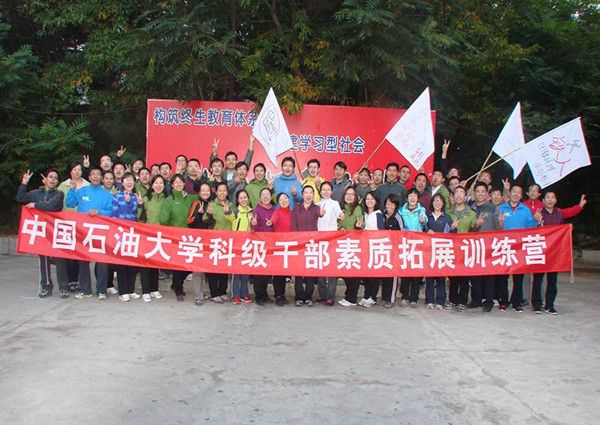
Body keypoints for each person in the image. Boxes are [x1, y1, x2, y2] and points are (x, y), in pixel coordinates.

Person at [17, 168, 69, 299]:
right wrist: (24, 184)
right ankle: (46, 287)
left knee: (59, 260)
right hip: (41, 232)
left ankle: (63, 287)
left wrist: (35, 205)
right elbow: (20, 198)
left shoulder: (59, 194)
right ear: (44, 179)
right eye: (50, 177)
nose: (53, 180)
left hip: (55, 231)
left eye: (55, 178)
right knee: (44, 260)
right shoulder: (35, 193)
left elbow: (52, 206)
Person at [65, 166, 113, 299]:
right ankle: (85, 290)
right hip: (84, 232)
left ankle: (101, 290)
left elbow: (110, 212)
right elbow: (69, 203)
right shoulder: (82, 191)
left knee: (102, 262)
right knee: (83, 262)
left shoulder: (107, 195)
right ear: (89, 177)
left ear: (102, 178)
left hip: (100, 233)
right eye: (93, 174)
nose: (96, 177)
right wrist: (72, 189)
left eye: (98, 174)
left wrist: (99, 212)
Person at [497, 185, 541, 313]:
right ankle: (503, 301)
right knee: (503, 276)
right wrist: (500, 224)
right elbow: (496, 229)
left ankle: (517, 301)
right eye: (514, 192)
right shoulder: (501, 208)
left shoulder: (526, 210)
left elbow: (530, 227)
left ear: (521, 196)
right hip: (504, 246)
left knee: (518, 277)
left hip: (519, 248)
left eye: (518, 193)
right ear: (510, 193)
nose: (516, 194)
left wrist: (535, 220)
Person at [159, 174, 195, 302]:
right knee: (178, 266)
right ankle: (178, 290)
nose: (179, 184)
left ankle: (175, 284)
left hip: (189, 238)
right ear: (172, 185)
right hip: (175, 237)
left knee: (190, 265)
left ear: (184, 184)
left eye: (181, 182)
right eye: (176, 182)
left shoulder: (190, 197)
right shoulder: (169, 200)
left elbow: (204, 195)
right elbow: (163, 219)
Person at [470, 182, 501, 312]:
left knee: (489, 275)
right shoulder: (470, 207)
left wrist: (501, 223)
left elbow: (499, 229)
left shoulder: (492, 208)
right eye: (478, 191)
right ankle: (476, 300)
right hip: (474, 246)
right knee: (475, 275)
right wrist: (476, 225)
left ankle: (488, 301)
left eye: (483, 191)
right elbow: (469, 228)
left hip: (489, 246)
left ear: (487, 194)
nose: (480, 194)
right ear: (474, 193)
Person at [112, 172, 143, 302]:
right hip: (120, 233)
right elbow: (114, 215)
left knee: (132, 263)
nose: (129, 182)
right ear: (122, 183)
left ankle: (131, 290)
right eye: (126, 180)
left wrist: (137, 203)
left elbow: (136, 213)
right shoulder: (116, 196)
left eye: (131, 180)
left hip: (133, 234)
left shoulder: (136, 197)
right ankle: (123, 291)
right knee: (121, 263)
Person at [138, 175, 168, 302]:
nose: (158, 185)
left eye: (161, 183)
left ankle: (154, 289)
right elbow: (140, 218)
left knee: (156, 264)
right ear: (152, 185)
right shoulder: (146, 199)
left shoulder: (167, 199)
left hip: (161, 236)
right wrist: (140, 205)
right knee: (146, 264)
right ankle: (145, 291)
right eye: (156, 183)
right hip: (148, 235)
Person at [532, 191, 563, 314]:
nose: (550, 200)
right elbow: (532, 230)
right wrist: (535, 221)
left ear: (555, 200)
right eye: (547, 198)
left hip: (554, 252)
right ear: (543, 201)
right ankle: (537, 304)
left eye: (552, 197)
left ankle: (550, 305)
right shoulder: (539, 213)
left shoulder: (559, 214)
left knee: (552, 280)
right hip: (540, 250)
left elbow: (561, 231)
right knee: (538, 279)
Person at [447, 186, 477, 311]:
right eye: (456, 193)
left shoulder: (472, 213)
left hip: (466, 249)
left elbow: (475, 233)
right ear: (453, 197)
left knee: (464, 276)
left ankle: (462, 301)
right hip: (452, 248)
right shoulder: (448, 212)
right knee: (452, 275)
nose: (459, 195)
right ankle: (452, 299)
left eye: (461, 193)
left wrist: (477, 225)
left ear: (466, 197)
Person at [203, 182, 234, 303]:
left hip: (227, 241)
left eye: (224, 190)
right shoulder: (212, 204)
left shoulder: (230, 205)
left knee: (224, 268)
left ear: (227, 192)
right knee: (214, 268)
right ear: (216, 192)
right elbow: (204, 220)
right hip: (215, 240)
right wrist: (208, 214)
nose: (222, 193)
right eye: (220, 190)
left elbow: (234, 219)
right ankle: (214, 293)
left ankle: (222, 291)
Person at [291, 185, 322, 306]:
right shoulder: (296, 208)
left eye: (310, 193)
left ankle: (308, 296)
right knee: (298, 272)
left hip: (312, 245)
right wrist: (296, 241)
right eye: (306, 192)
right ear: (302, 195)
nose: (308, 195)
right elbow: (294, 226)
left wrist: (321, 213)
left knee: (310, 272)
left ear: (313, 195)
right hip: (299, 244)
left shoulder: (316, 208)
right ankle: (299, 296)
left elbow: (320, 214)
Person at [316, 182, 344, 306]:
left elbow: (339, 213)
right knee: (321, 268)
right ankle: (322, 294)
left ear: (331, 192)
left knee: (332, 269)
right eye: (324, 189)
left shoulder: (335, 203)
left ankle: (330, 296)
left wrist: (341, 215)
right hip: (319, 240)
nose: (326, 192)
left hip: (332, 240)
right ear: (320, 191)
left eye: (328, 189)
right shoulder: (316, 205)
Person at [185, 182, 213, 306]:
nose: (205, 192)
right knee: (197, 270)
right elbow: (189, 222)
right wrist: (199, 214)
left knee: (208, 269)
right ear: (199, 192)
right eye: (203, 190)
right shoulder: (196, 204)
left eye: (207, 190)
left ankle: (203, 293)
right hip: (198, 241)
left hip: (211, 241)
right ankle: (198, 296)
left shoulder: (212, 204)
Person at [337, 186, 365, 307]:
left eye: (352, 194)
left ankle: (352, 298)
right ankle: (349, 296)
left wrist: (359, 225)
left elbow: (361, 222)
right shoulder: (340, 208)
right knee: (345, 270)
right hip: (342, 243)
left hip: (354, 243)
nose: (349, 196)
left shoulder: (357, 208)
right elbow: (337, 222)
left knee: (353, 272)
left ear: (355, 197)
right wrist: (340, 227)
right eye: (347, 194)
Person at [399, 188, 427, 307]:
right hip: (405, 244)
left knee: (416, 272)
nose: (412, 198)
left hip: (417, 244)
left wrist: (423, 220)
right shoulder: (401, 211)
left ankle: (414, 298)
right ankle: (404, 296)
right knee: (405, 272)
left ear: (418, 198)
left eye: (415, 195)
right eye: (410, 195)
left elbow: (424, 220)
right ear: (407, 198)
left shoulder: (421, 210)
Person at [425, 193, 453, 310]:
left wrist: (453, 228)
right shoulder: (427, 217)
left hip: (442, 250)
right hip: (429, 250)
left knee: (441, 277)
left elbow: (452, 234)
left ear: (443, 203)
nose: (437, 203)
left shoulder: (447, 218)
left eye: (439, 201)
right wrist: (426, 231)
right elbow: (422, 231)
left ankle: (441, 301)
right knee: (429, 277)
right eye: (435, 200)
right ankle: (429, 300)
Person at [250, 187, 276, 305]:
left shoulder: (274, 210)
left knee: (266, 272)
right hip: (259, 245)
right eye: (263, 195)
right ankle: (259, 296)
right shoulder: (257, 210)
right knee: (259, 272)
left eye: (267, 195)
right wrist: (253, 224)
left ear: (271, 197)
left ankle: (265, 295)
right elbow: (252, 227)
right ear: (260, 198)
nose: (265, 197)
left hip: (270, 245)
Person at [227, 190, 254, 305]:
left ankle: (244, 294)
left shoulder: (252, 212)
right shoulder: (236, 212)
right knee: (236, 272)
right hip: (237, 246)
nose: (243, 200)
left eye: (245, 197)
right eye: (241, 198)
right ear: (237, 200)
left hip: (248, 246)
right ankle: (235, 295)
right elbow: (229, 216)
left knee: (245, 272)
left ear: (248, 198)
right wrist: (227, 211)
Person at [360, 191, 384, 308]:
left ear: (376, 201)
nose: (369, 201)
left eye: (372, 199)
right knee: (366, 273)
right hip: (365, 247)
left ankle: (372, 297)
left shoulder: (378, 214)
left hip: (375, 247)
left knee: (374, 274)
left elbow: (381, 231)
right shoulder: (365, 214)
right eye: (367, 199)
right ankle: (366, 295)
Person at [380, 194, 404, 308]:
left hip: (394, 250)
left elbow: (402, 233)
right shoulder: (382, 215)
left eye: (392, 204)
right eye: (388, 204)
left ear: (396, 206)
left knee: (393, 275)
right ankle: (384, 298)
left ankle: (391, 299)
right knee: (384, 274)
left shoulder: (397, 217)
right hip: (383, 249)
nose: (389, 206)